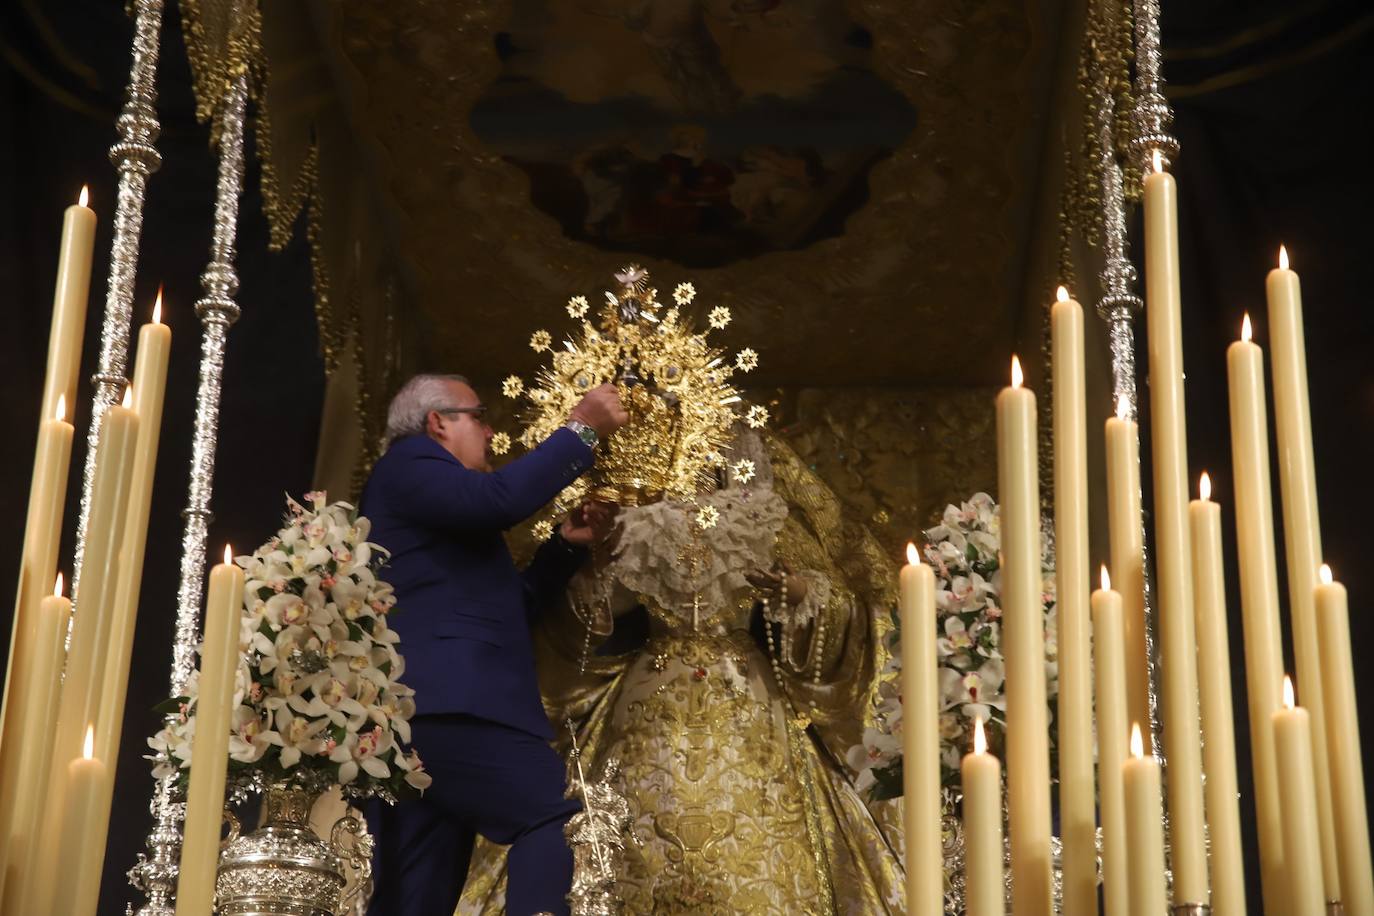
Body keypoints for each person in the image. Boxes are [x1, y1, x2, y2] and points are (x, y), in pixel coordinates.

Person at [458, 426, 907, 914]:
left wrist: (795, 593)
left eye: (709, 466)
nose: (696, 481)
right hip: (651, 695)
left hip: (748, 695)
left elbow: (840, 605)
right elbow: (588, 618)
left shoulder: (759, 521)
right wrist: (599, 572)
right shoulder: (643, 524)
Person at [360, 373, 628, 916]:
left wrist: (564, 547)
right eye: (479, 416)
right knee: (556, 816)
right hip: (449, 708)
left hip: (421, 716)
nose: (488, 432)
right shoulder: (410, 463)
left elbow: (507, 610)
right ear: (438, 422)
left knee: (414, 896)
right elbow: (501, 499)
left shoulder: (438, 507)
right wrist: (582, 429)